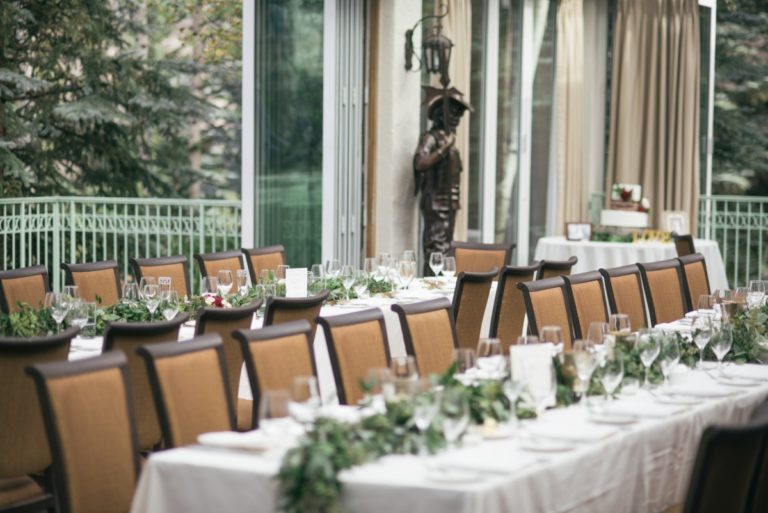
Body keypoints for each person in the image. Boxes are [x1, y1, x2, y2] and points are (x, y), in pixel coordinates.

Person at [413, 87, 472, 275]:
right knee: (435, 250)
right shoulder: (431, 138)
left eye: (459, 115)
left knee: (446, 249)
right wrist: (442, 150)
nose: (456, 118)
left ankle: (441, 287)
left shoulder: (449, 138)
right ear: (440, 114)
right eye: (452, 113)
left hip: (450, 202)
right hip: (436, 202)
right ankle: (430, 288)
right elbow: (420, 163)